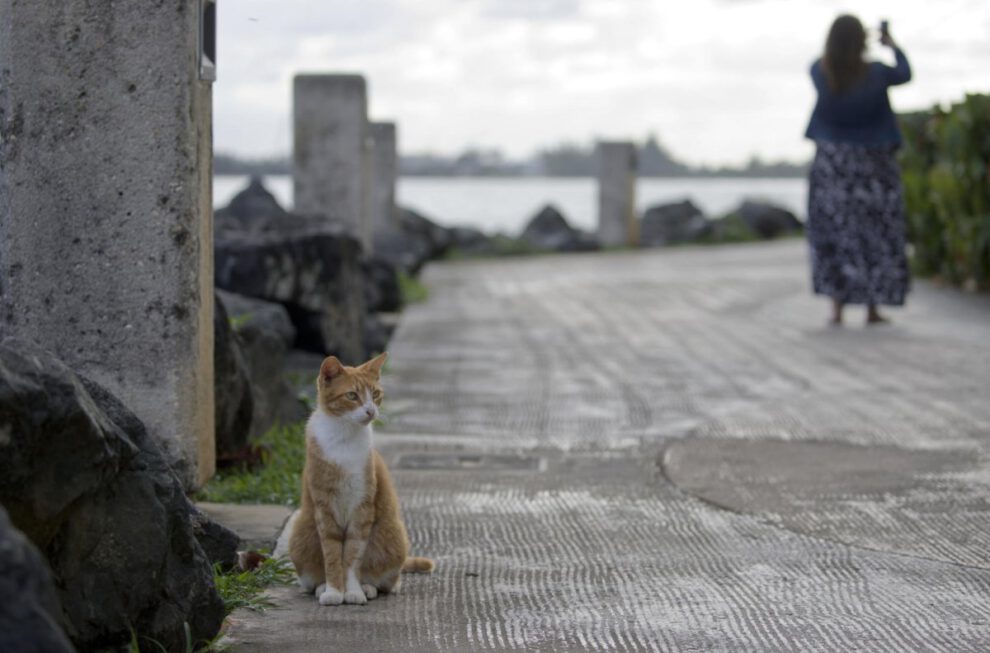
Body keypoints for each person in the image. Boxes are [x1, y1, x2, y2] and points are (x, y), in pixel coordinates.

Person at [804, 14, 912, 325]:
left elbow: (823, 63)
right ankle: (872, 308)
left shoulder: (820, 71)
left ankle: (837, 308)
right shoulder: (876, 73)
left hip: (832, 163)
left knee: (834, 233)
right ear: (861, 41)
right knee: (874, 234)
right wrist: (891, 45)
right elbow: (905, 73)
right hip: (873, 163)